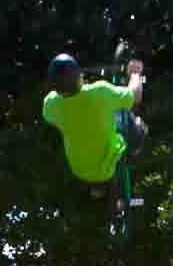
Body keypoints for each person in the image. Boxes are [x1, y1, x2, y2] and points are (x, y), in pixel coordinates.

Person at [41, 49, 146, 201]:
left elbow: (55, 114)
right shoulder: (100, 92)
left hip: (80, 170)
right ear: (79, 77)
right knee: (129, 118)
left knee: (94, 136)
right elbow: (135, 97)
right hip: (105, 166)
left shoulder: (50, 104)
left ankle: (98, 189)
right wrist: (135, 74)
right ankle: (134, 147)